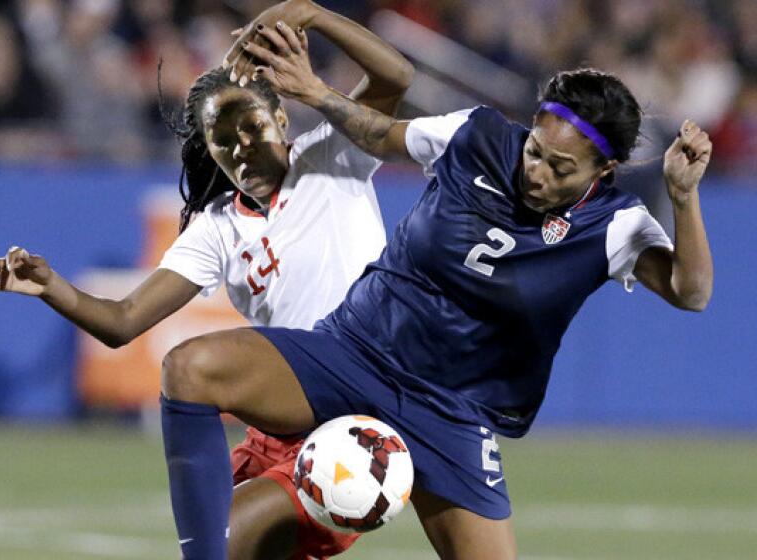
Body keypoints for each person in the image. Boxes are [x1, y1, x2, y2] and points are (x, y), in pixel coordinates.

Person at [139, 21, 714, 560]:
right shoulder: (479, 135)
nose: (536, 170)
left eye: (560, 168)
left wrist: (683, 198)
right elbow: (382, 133)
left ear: (603, 170)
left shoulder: (615, 224)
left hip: (452, 410)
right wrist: (316, 92)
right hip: (356, 353)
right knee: (190, 368)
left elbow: (692, 292)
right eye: (536, 150)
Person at [0, 2, 414, 559]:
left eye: (251, 126)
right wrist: (50, 286)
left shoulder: (331, 155)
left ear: (280, 117)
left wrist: (312, 15)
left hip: (347, 424)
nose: (241, 149)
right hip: (275, 431)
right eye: (222, 142)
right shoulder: (218, 226)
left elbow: (397, 76)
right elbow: (122, 322)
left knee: (217, 539)